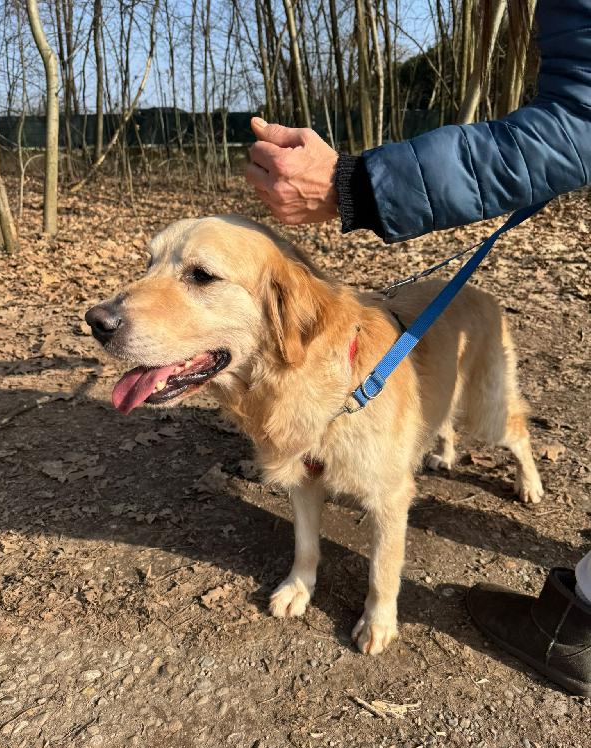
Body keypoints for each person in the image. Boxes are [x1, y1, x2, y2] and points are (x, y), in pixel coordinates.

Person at [245, 0, 591, 697]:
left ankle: (522, 464)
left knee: (491, 422)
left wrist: (357, 183)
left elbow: (578, 121)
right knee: (339, 460)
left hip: (463, 322)